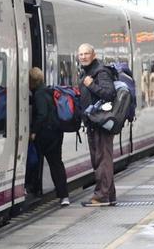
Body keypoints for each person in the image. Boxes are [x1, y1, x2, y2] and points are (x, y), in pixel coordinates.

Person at [77, 43, 117, 206]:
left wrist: (90, 85)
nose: (84, 57)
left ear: (93, 55)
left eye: (87, 54)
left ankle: (102, 196)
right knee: (100, 159)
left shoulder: (100, 72)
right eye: (81, 54)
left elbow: (109, 94)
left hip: (100, 123)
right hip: (93, 122)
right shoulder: (87, 72)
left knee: (102, 160)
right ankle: (109, 195)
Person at [28, 67, 70, 207]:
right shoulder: (49, 91)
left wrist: (33, 132)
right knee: (57, 164)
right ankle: (64, 196)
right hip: (56, 133)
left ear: (31, 81)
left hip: (45, 135)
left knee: (36, 161)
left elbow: (42, 114)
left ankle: (33, 188)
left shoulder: (39, 94)